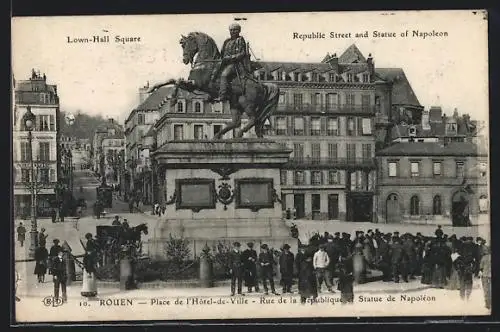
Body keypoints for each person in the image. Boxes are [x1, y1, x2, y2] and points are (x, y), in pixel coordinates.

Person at [213, 22, 250, 102]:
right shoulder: (227, 41)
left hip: (235, 64)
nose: (232, 32)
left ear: (239, 31)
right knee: (213, 73)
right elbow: (222, 53)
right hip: (225, 63)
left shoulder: (240, 40)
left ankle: (223, 95)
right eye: (231, 30)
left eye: (235, 30)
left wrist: (231, 57)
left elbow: (243, 53)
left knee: (224, 75)